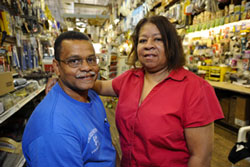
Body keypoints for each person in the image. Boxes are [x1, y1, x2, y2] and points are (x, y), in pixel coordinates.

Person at [46, 16, 224, 167]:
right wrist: (64, 79)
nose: (148, 45)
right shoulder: (131, 78)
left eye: (158, 39)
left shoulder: (195, 88)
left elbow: (201, 157)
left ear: (172, 44)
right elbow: (99, 85)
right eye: (142, 40)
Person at [22, 31, 116, 167]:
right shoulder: (54, 131)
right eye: (74, 61)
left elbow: (106, 147)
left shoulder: (91, 95)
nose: (86, 67)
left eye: (90, 59)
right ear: (56, 67)